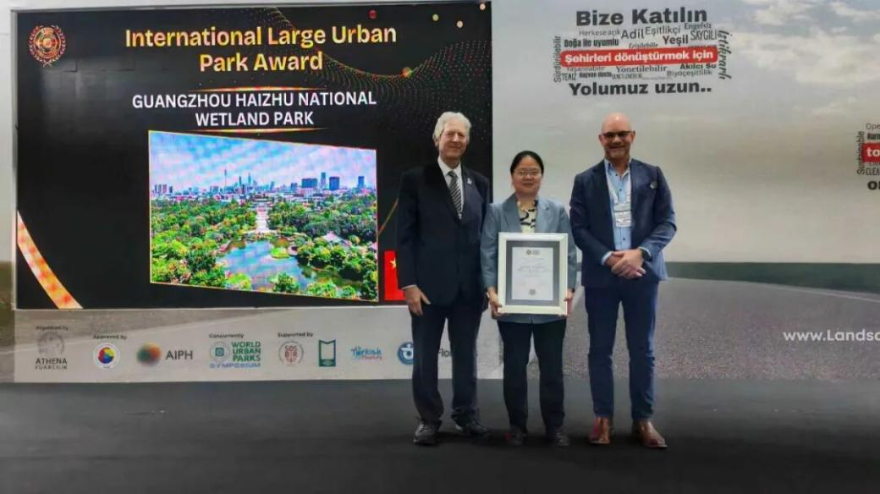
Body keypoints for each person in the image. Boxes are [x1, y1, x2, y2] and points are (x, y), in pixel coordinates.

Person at [568, 113, 676, 449]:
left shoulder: (653, 175)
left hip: (642, 274)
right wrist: (610, 258)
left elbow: (667, 223)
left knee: (642, 350)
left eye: (622, 134)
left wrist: (640, 253)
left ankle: (643, 420)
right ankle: (603, 418)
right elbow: (579, 229)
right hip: (602, 277)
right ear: (601, 139)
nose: (616, 140)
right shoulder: (584, 181)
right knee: (600, 350)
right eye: (610, 135)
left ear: (633, 136)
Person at [396, 111, 491, 446]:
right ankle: (428, 419)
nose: (456, 140)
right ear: (437, 139)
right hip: (427, 290)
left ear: (467, 142)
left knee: (466, 357)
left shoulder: (480, 183)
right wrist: (408, 284)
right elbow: (404, 237)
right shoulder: (415, 180)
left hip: (469, 289)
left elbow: (485, 238)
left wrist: (488, 284)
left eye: (462, 135)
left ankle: (466, 415)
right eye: (450, 133)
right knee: (425, 358)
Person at [481, 151, 578, 447]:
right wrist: (492, 291)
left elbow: (568, 254)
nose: (528, 176)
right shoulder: (496, 211)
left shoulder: (557, 211)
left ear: (541, 176)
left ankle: (555, 426)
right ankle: (517, 426)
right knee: (514, 367)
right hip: (512, 306)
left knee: (552, 368)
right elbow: (488, 254)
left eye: (533, 171)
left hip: (550, 306)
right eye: (522, 171)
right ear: (512, 176)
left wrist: (568, 290)